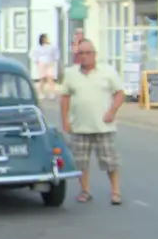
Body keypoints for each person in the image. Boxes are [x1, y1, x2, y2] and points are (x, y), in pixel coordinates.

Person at [59, 39, 125, 205]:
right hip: (80, 125)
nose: (84, 56)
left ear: (94, 54)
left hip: (103, 125)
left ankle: (116, 192)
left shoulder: (107, 71)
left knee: (110, 161)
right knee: (81, 162)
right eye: (81, 53)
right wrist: (65, 120)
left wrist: (112, 111)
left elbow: (119, 93)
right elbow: (65, 97)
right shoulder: (71, 73)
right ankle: (85, 190)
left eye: (88, 53)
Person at [31, 33, 60, 100]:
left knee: (50, 78)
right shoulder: (38, 47)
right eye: (44, 38)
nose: (45, 39)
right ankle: (40, 93)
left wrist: (56, 59)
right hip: (42, 63)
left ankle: (52, 93)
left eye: (46, 38)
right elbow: (33, 54)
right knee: (42, 78)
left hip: (50, 62)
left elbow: (56, 52)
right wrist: (36, 61)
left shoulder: (51, 46)